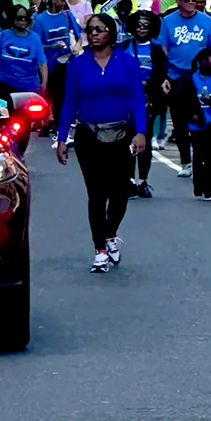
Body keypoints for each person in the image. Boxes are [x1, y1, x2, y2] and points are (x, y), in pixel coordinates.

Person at [56, 14, 147, 273]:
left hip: (121, 135)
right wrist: (62, 138)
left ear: (111, 33)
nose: (93, 33)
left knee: (119, 192)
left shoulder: (127, 61)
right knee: (97, 193)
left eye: (99, 29)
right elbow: (69, 102)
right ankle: (100, 249)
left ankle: (110, 233)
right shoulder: (78, 64)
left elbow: (137, 99)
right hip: (89, 136)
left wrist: (141, 132)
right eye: (90, 29)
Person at [158, 0, 211, 179]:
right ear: (178, 1)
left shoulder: (206, 21)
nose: (192, 2)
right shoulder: (168, 21)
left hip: (200, 77)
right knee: (179, 121)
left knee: (201, 118)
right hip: (176, 76)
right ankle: (186, 161)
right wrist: (165, 75)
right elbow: (163, 48)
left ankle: (202, 158)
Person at [124, 10, 167, 197]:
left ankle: (143, 181)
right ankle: (130, 181)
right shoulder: (124, 46)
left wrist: (147, 84)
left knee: (145, 142)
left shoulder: (156, 49)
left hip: (148, 101)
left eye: (146, 26)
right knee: (127, 142)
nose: (141, 29)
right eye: (138, 25)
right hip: (125, 102)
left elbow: (161, 74)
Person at [33, 0, 81, 127]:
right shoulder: (40, 19)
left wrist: (77, 46)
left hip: (66, 61)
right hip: (49, 62)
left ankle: (61, 122)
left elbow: (79, 35)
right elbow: (36, 45)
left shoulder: (67, 15)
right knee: (50, 93)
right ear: (54, 0)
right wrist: (53, 46)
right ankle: (47, 121)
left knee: (64, 92)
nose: (64, 2)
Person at [186, 46, 211, 201]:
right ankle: (198, 185)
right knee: (198, 153)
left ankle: (208, 189)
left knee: (209, 154)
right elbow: (185, 101)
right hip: (197, 122)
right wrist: (192, 114)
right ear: (203, 61)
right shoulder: (191, 78)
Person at [0, 4, 48, 100]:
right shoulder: (3, 35)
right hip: (4, 85)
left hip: (28, 88)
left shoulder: (34, 38)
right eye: (19, 18)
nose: (22, 22)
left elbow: (42, 63)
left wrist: (44, 83)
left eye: (25, 19)